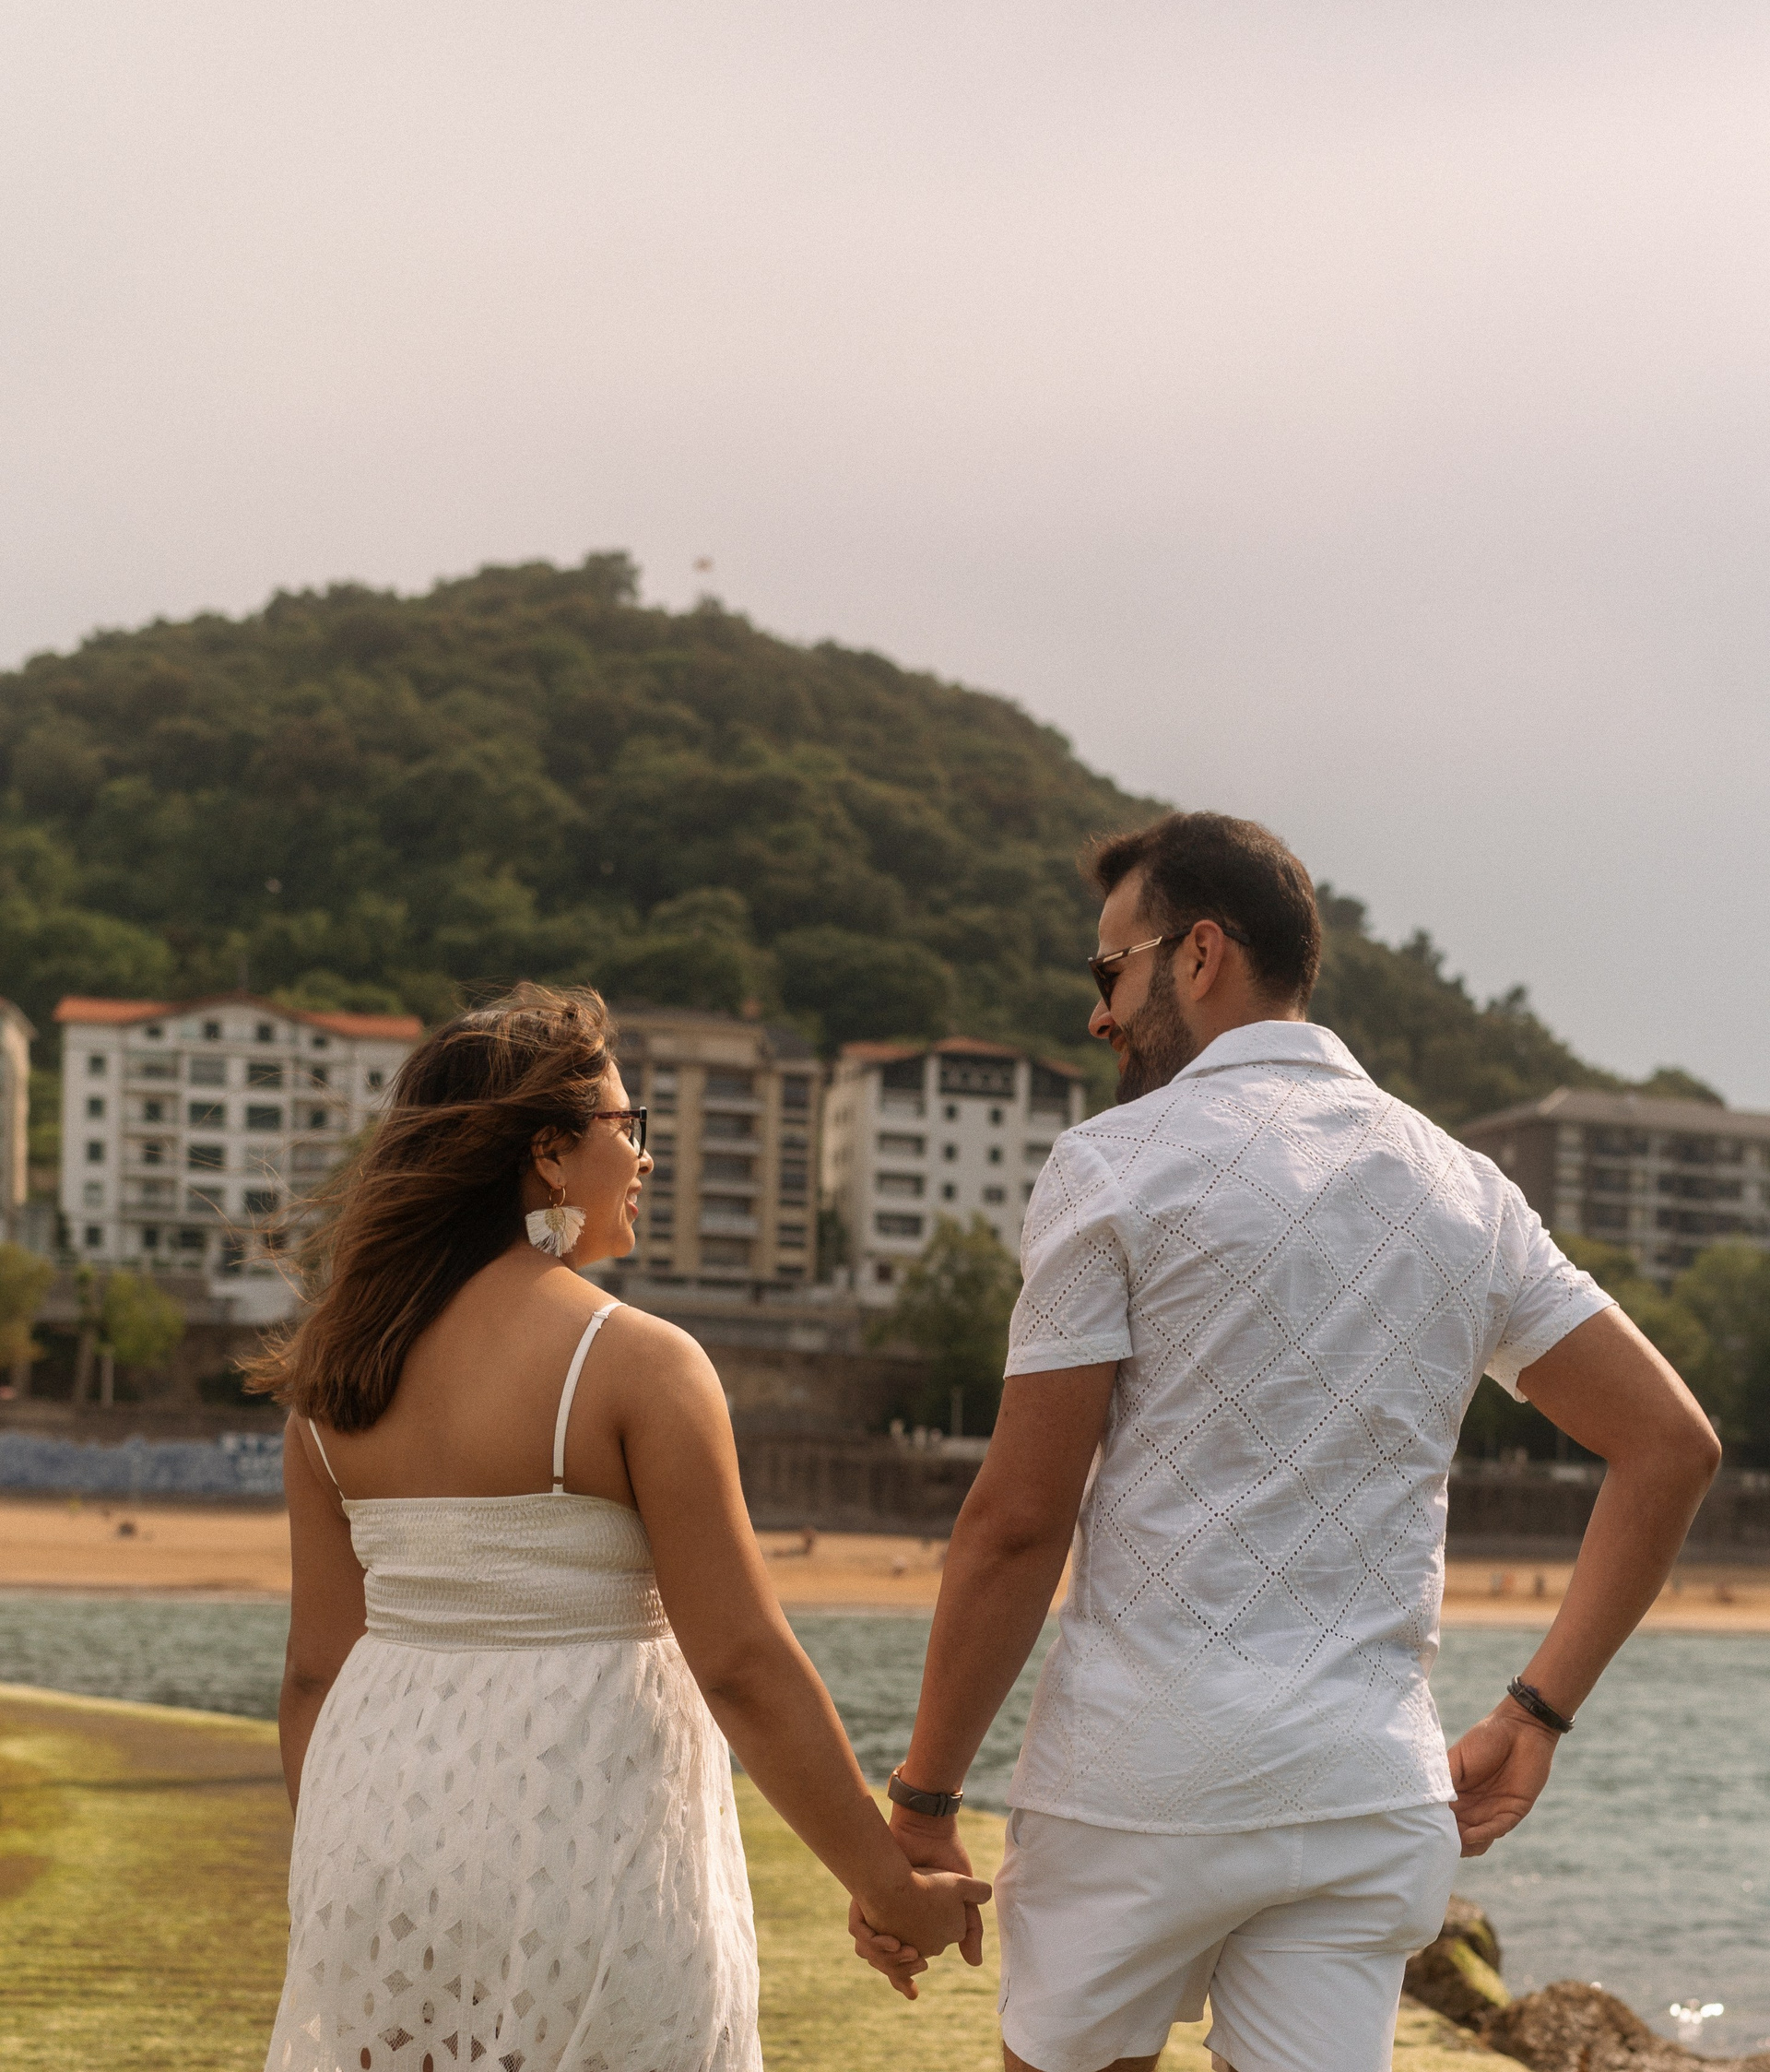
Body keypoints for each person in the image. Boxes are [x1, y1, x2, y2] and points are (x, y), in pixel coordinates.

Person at [852, 812, 1720, 2072]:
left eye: (1110, 970)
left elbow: (1018, 1522)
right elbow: (1671, 1445)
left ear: (1200, 954)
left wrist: (926, 1800)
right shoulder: (1464, 1188)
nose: (1098, 1013)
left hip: (1139, 1785)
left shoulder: (1113, 1165)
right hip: (1364, 1794)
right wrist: (1536, 1713)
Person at [254, 984, 986, 2072]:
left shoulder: (333, 1384)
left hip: (376, 1839)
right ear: (550, 1154)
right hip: (579, 1843)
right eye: (627, 1126)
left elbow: (315, 1673)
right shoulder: (637, 1363)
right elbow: (740, 1665)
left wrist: (340, 1868)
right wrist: (888, 1885)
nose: (644, 1156)